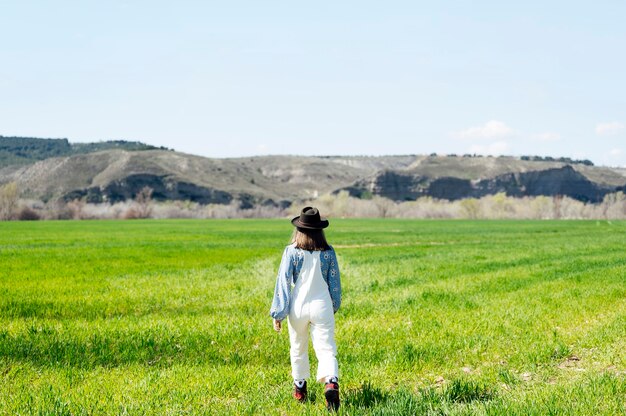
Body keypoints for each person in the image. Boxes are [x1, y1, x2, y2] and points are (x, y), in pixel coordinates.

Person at [270, 206, 342, 411]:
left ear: (299, 229)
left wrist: (278, 313)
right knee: (326, 348)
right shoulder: (328, 252)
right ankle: (331, 381)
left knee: (298, 347)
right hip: (322, 305)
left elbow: (283, 282)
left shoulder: (291, 251)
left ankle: (300, 387)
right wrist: (333, 307)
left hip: (298, 307)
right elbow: (334, 284)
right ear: (320, 230)